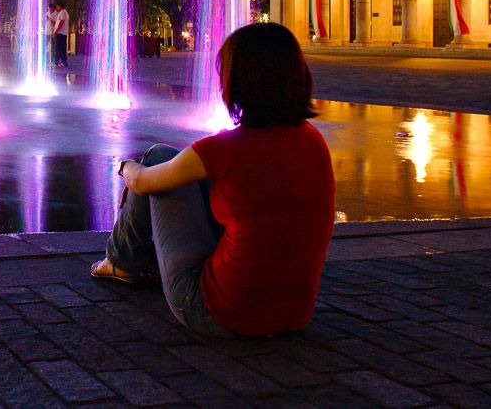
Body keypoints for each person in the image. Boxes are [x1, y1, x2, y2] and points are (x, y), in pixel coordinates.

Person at [91, 22, 335, 337]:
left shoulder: (224, 150)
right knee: (180, 168)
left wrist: (126, 167)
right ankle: (127, 260)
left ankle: (121, 260)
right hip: (294, 313)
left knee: (156, 158)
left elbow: (143, 182)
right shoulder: (313, 141)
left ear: (237, 81)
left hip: (216, 312)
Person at [48, 1, 70, 67]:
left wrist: (56, 31)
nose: (57, 7)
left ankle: (57, 62)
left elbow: (61, 22)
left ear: (60, 6)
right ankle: (63, 62)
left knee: (59, 48)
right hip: (62, 33)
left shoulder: (63, 12)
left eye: (57, 6)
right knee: (61, 48)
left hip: (61, 33)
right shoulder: (63, 12)